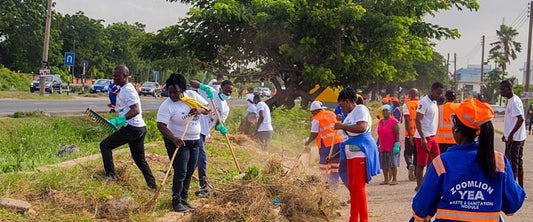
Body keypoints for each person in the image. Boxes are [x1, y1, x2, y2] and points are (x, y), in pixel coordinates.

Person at [411, 98, 525, 222]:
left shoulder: (442, 163)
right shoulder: (499, 162)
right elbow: (513, 204)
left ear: (456, 129)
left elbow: (420, 209)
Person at [156, 73, 209, 212]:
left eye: (176, 92)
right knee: (181, 171)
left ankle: (184, 197)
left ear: (183, 90)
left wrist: (199, 109)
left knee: (191, 170)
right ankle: (176, 200)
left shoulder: (191, 96)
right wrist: (174, 138)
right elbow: (161, 125)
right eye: (170, 92)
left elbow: (207, 109)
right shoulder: (166, 106)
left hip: (195, 140)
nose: (173, 95)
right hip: (178, 142)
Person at [99, 65, 157, 190]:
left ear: (125, 76)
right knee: (139, 159)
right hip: (139, 128)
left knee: (105, 145)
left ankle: (111, 176)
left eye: (117, 76)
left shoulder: (127, 90)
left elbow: (135, 110)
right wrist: (119, 120)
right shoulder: (125, 89)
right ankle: (152, 185)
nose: (114, 78)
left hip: (133, 128)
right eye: (113, 76)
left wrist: (118, 120)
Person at [333, 87, 380, 222]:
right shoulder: (350, 115)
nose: (341, 108)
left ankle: (363, 219)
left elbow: (361, 128)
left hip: (360, 153)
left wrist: (342, 126)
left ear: (347, 101)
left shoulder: (360, 110)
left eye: (341, 105)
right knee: (353, 187)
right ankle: (353, 218)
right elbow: (347, 140)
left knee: (358, 188)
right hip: (350, 155)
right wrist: (335, 156)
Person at [190, 79, 233, 197]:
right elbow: (192, 83)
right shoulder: (211, 93)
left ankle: (184, 178)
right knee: (202, 158)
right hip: (196, 127)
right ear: (221, 89)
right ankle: (204, 187)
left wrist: (221, 128)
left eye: (230, 92)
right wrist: (204, 87)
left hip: (205, 132)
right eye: (226, 90)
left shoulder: (226, 108)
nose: (228, 93)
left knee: (196, 159)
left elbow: (218, 124)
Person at [304, 101, 343, 189]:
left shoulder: (316, 118)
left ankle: (326, 185)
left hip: (327, 144)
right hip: (338, 142)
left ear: (314, 111)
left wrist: (307, 142)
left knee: (324, 166)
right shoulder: (331, 113)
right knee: (335, 166)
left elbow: (314, 133)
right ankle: (334, 187)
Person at [414, 82, 444, 191]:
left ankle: (428, 183)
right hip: (423, 137)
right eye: (437, 93)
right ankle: (419, 186)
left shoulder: (434, 102)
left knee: (436, 162)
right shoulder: (424, 102)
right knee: (421, 164)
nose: (439, 95)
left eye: (440, 93)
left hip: (432, 136)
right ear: (432, 89)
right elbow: (418, 119)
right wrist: (422, 137)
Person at [500, 80, 527, 187]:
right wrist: (506, 134)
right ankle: (521, 188)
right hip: (518, 137)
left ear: (508, 89)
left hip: (515, 139)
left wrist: (510, 135)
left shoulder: (514, 102)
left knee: (512, 164)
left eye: (502, 89)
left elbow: (520, 119)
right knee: (518, 163)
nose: (500, 91)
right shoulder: (513, 100)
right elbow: (513, 120)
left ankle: (513, 190)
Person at [377, 104, 401, 185]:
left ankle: (394, 179)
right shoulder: (380, 121)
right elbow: (380, 132)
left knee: (393, 163)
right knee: (384, 163)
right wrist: (377, 142)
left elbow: (397, 134)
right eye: (383, 110)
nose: (385, 112)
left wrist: (397, 145)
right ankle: (386, 179)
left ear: (390, 111)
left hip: (392, 145)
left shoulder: (394, 121)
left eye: (387, 110)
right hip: (383, 145)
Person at [403, 88, 419, 181]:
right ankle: (417, 173)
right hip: (420, 135)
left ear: (409, 95)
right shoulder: (421, 104)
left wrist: (409, 136)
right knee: (417, 154)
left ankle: (410, 165)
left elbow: (407, 120)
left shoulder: (407, 105)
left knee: (407, 154)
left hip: (410, 134)